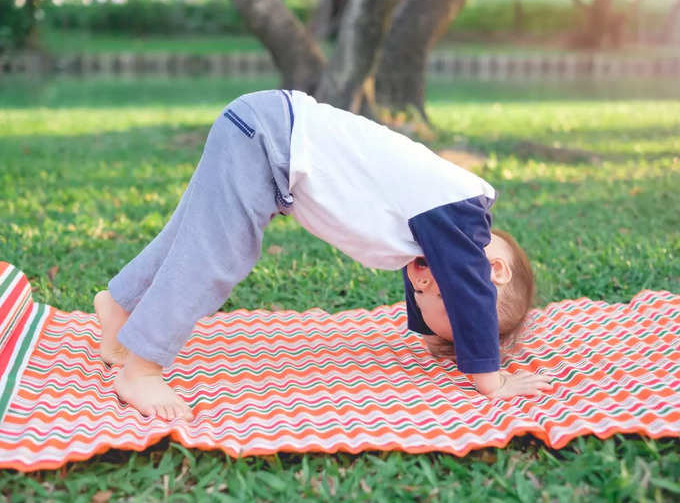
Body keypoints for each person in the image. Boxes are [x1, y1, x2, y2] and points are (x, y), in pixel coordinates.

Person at [94, 89, 553, 421]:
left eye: (421, 293)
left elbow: (452, 278)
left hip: (265, 129)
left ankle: (118, 307)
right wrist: (490, 378)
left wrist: (431, 328)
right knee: (218, 258)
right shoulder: (460, 213)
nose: (421, 283)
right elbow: (465, 280)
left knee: (189, 236)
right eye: (441, 291)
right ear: (491, 269)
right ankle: (143, 368)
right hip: (271, 139)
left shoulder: (434, 225)